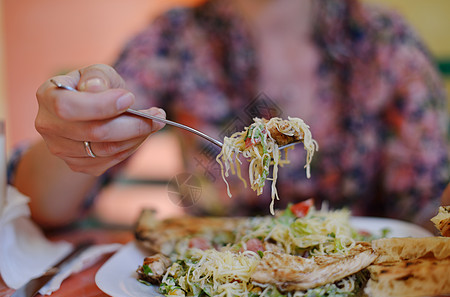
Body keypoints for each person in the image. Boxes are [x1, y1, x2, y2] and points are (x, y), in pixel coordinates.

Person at [8, 0, 449, 230]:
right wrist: (79, 131)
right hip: (215, 275)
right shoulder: (175, 39)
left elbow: (429, 212)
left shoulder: (383, 41)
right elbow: (45, 207)